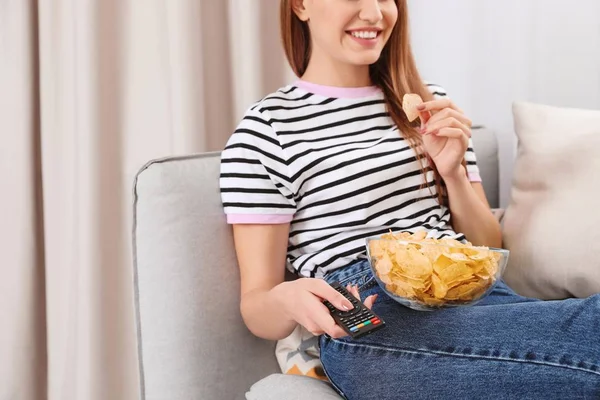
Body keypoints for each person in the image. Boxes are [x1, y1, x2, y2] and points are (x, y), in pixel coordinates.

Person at [219, 0, 600, 398]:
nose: (373, 13)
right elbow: (257, 304)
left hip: (473, 293)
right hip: (367, 314)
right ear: (300, 5)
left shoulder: (430, 105)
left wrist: (452, 172)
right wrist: (287, 296)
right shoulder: (267, 130)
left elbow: (488, 249)